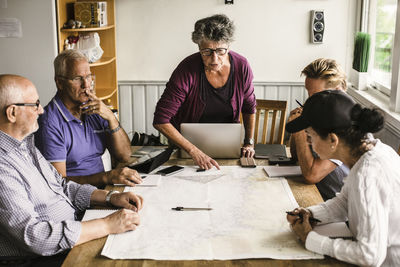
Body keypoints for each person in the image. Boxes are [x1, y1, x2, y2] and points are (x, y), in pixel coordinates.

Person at [0, 74, 143, 264]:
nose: (41, 110)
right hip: (36, 259)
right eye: (35, 104)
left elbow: (62, 185)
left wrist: (110, 197)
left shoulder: (25, 145)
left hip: (70, 233)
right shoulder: (3, 166)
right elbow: (35, 237)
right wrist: (106, 224)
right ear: (12, 113)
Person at [286, 89, 400, 266]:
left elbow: (369, 255)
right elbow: (344, 203)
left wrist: (310, 238)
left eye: (310, 136)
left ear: (333, 140)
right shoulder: (367, 151)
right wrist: (310, 213)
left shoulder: (367, 174)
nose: (309, 142)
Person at [153, 14, 256, 170]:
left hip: (226, 148)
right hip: (187, 150)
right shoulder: (186, 69)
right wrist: (193, 150)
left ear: (229, 46)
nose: (214, 59)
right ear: (198, 47)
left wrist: (249, 142)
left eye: (221, 51)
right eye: (206, 52)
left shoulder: (242, 66)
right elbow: (161, 120)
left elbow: (249, 108)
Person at [35, 50, 142, 187]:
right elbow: (57, 183)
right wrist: (107, 177)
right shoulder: (49, 123)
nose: (86, 85)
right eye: (77, 79)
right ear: (60, 83)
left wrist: (111, 117)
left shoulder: (94, 108)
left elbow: (125, 156)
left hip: (101, 191)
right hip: (74, 201)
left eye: (89, 77)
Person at [288, 58, 350, 200]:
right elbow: (296, 156)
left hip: (340, 207)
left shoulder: (345, 123)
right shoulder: (322, 110)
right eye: (309, 95)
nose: (310, 101)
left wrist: (298, 130)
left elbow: (311, 175)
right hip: (319, 196)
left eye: (315, 96)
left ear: (338, 90)